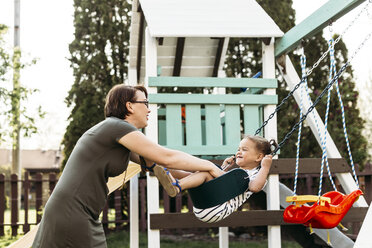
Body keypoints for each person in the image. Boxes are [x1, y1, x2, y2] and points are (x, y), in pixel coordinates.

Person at [32, 84, 223, 248]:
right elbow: (167, 156)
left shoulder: (118, 135)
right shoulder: (118, 127)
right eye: (145, 103)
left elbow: (160, 165)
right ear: (129, 106)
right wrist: (210, 166)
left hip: (76, 212)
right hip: (73, 212)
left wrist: (204, 175)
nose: (149, 109)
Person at [154, 135, 278, 223]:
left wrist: (265, 167)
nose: (239, 152)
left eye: (244, 150)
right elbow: (223, 185)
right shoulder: (240, 173)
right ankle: (164, 170)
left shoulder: (258, 174)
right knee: (197, 174)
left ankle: (177, 186)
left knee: (206, 174)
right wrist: (225, 168)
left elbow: (254, 187)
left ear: (259, 157)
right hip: (208, 203)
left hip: (217, 209)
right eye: (238, 149)